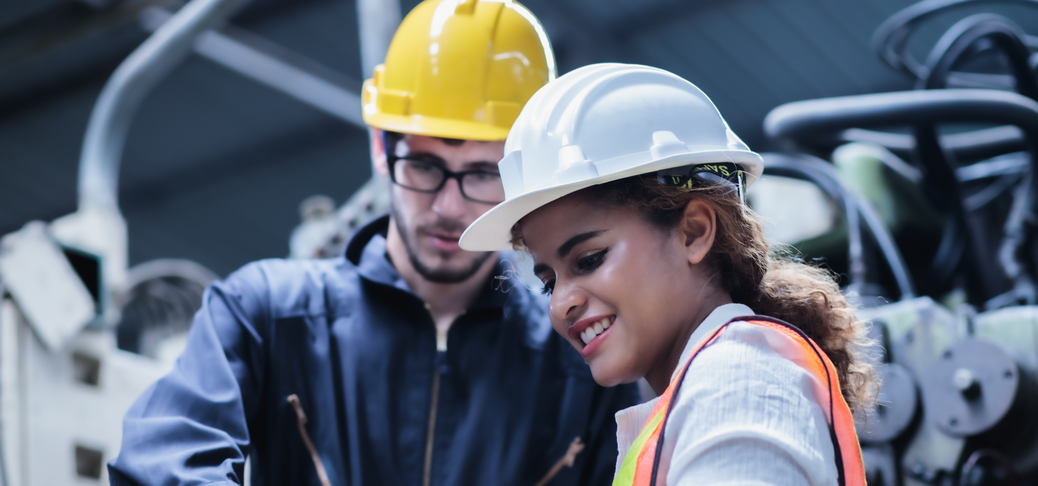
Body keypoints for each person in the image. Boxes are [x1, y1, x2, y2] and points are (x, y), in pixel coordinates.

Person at [108, 3, 639, 485]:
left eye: (482, 174)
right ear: (381, 149)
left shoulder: (579, 369)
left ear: (525, 177)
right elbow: (160, 465)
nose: (449, 207)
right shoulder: (266, 314)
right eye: (426, 165)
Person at [460, 63, 875, 486]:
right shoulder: (708, 390)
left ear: (693, 232)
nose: (560, 301)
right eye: (549, 280)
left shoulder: (737, 386)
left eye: (589, 259)